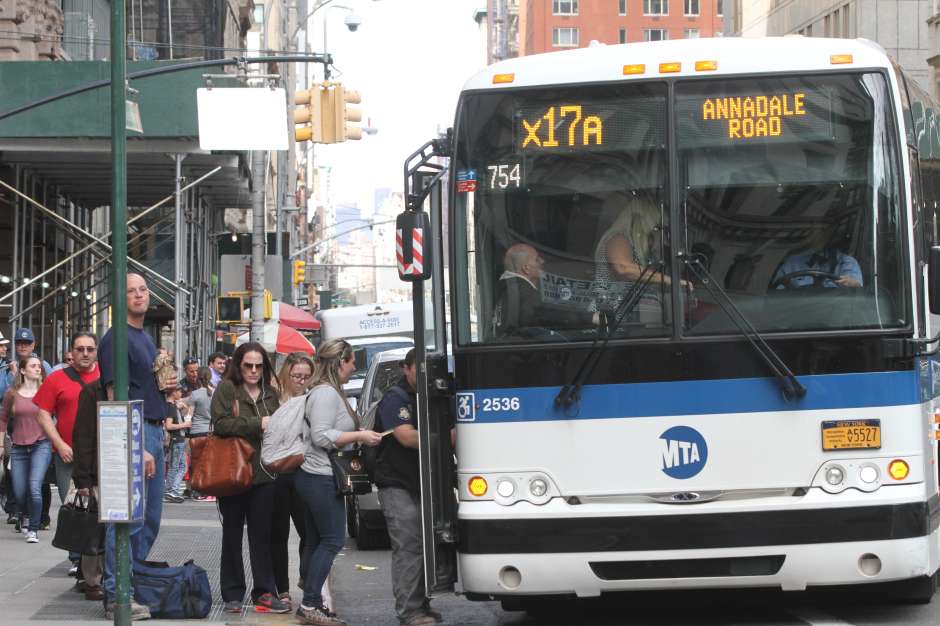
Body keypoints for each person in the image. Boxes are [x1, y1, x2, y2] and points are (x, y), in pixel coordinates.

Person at [295, 339, 382, 626]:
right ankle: (310, 603)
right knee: (332, 540)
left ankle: (311, 601)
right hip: (319, 476)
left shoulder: (331, 392)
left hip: (316, 476)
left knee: (316, 540)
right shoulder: (325, 394)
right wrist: (359, 437)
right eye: (351, 362)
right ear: (339, 362)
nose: (354, 367)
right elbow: (321, 436)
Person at [97, 273, 165, 620]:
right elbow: (114, 396)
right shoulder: (115, 339)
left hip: (154, 430)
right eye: (131, 291)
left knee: (150, 519)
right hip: (136, 434)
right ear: (120, 298)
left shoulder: (145, 337)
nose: (139, 296)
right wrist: (138, 445)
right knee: (128, 520)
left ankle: (131, 583)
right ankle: (116, 594)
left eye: (143, 290)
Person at [210, 342, 289, 614]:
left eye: (258, 366)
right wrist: (257, 424)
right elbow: (219, 424)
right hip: (233, 472)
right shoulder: (227, 389)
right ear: (238, 365)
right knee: (232, 534)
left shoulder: (270, 394)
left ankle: (265, 591)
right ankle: (233, 593)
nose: (254, 371)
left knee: (262, 536)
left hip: (265, 473)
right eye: (248, 365)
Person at [373, 348, 442, 626]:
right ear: (406, 368)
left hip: (419, 482)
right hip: (397, 483)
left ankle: (421, 605)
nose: (424, 373)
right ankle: (410, 612)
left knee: (425, 545)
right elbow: (406, 437)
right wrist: (444, 437)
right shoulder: (396, 398)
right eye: (419, 367)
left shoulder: (428, 396)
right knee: (410, 546)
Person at [33, 331, 102, 597]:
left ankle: (88, 572)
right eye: (79, 349)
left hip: (98, 458)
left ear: (96, 351)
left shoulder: (105, 376)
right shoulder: (57, 379)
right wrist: (59, 443)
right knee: (77, 510)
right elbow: (42, 414)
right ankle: (82, 566)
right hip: (68, 456)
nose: (85, 354)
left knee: (96, 513)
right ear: (70, 352)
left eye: (90, 349)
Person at [593, 194, 681, 324]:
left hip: (623, 322)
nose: (662, 237)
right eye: (658, 228)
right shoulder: (618, 238)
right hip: (608, 320)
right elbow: (623, 268)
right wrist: (668, 280)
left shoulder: (642, 252)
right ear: (644, 225)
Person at [271, 352, 314, 605]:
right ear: (286, 374)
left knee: (309, 531)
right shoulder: (274, 398)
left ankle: (305, 576)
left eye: (306, 376)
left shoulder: (312, 398)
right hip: (277, 473)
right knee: (278, 534)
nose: (301, 380)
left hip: (303, 471)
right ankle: (282, 588)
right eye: (297, 375)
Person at [0, 355, 51, 543]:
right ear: (22, 370)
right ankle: (24, 515)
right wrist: (0, 445)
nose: (38, 368)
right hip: (18, 447)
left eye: (39, 366)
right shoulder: (12, 393)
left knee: (34, 487)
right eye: (33, 366)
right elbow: (3, 418)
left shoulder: (46, 391)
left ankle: (33, 529)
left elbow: (56, 414)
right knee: (20, 491)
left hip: (41, 444)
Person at [771, 225, 863, 289]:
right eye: (813, 233)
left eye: (823, 233)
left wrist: (852, 284)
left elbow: (855, 291)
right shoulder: (792, 262)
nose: (817, 237)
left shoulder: (847, 263)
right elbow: (777, 293)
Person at [184, 367, 214, 502]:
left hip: (196, 432)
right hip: (210, 432)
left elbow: (189, 414)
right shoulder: (214, 393)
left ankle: (195, 488)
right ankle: (206, 488)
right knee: (207, 462)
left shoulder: (195, 394)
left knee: (195, 463)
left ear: (198, 378)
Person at [163, 382, 192, 503]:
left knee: (180, 466)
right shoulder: (170, 406)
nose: (181, 394)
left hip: (179, 440)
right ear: (174, 392)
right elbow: (169, 425)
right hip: (176, 440)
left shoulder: (174, 406)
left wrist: (183, 408)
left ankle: (171, 490)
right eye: (179, 391)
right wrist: (184, 425)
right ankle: (170, 490)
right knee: (176, 466)